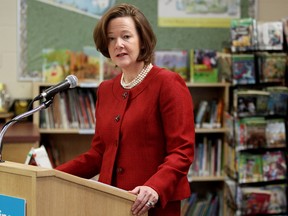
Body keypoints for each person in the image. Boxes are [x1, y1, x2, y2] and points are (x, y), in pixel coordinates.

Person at [56, 3, 195, 216]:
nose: (118, 44)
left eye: (126, 36)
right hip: (111, 201)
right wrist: (52, 175)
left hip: (153, 205)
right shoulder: (105, 89)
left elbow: (182, 150)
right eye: (111, 38)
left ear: (142, 40)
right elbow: (99, 153)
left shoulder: (168, 83)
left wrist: (154, 187)